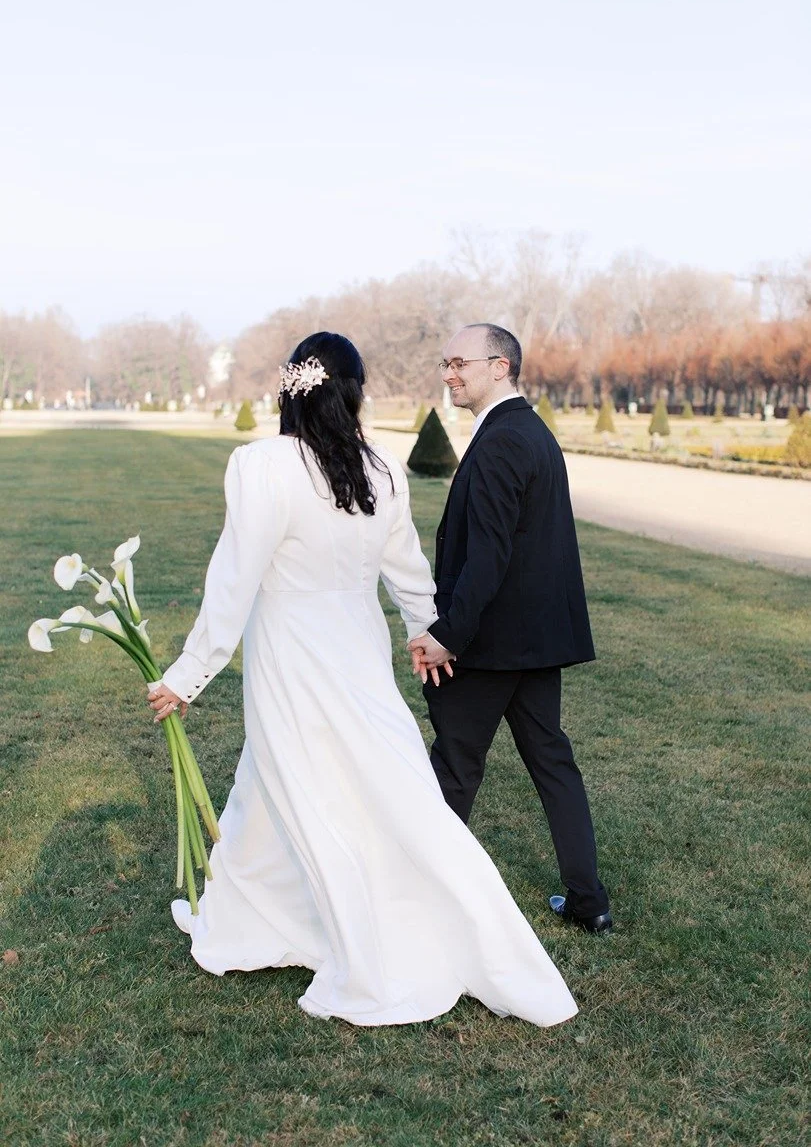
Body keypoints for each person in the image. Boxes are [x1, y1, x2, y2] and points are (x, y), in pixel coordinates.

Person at [147, 331, 578, 1028]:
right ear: (353, 393)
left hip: (292, 656)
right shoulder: (379, 469)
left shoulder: (262, 466)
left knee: (321, 786)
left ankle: (379, 931)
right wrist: (427, 632)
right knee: (289, 781)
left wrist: (186, 676)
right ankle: (250, 920)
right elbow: (408, 573)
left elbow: (234, 581)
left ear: (290, 389)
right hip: (355, 651)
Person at [408, 324, 612, 934]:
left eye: (458, 362)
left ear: (500, 367)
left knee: (454, 768)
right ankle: (588, 901)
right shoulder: (530, 431)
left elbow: (489, 556)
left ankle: (420, 902)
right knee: (552, 763)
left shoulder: (500, 441)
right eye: (445, 362)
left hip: (492, 643)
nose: (449, 373)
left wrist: (449, 633)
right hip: (533, 642)